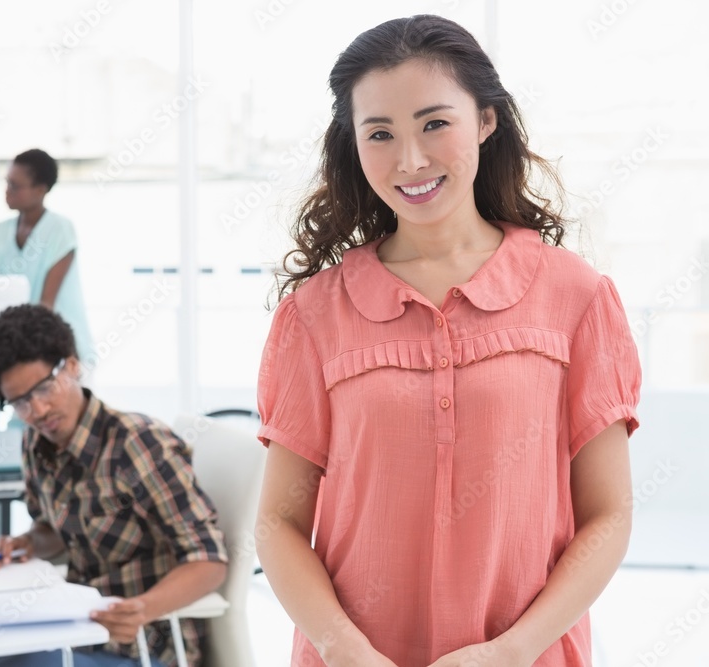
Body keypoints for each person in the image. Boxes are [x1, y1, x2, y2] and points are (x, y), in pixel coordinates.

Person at [254, 15, 641, 667]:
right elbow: (278, 523)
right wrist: (341, 645)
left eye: (435, 123)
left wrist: (514, 649)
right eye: (380, 133)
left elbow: (609, 515)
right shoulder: (313, 315)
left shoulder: (577, 297)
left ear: (486, 120)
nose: (410, 159)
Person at [0, 304, 227, 667]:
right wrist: (26, 544)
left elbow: (209, 560)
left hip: (144, 644)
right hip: (77, 629)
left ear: (72, 365)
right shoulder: (36, 444)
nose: (37, 410)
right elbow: (56, 532)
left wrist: (142, 609)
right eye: (21, 403)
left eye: (44, 388)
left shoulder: (138, 444)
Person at [0, 149, 96, 369]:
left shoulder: (60, 229)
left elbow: (46, 306)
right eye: (7, 183)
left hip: (59, 347)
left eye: (15, 186)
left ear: (40, 190)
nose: (7, 191)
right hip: (16, 348)